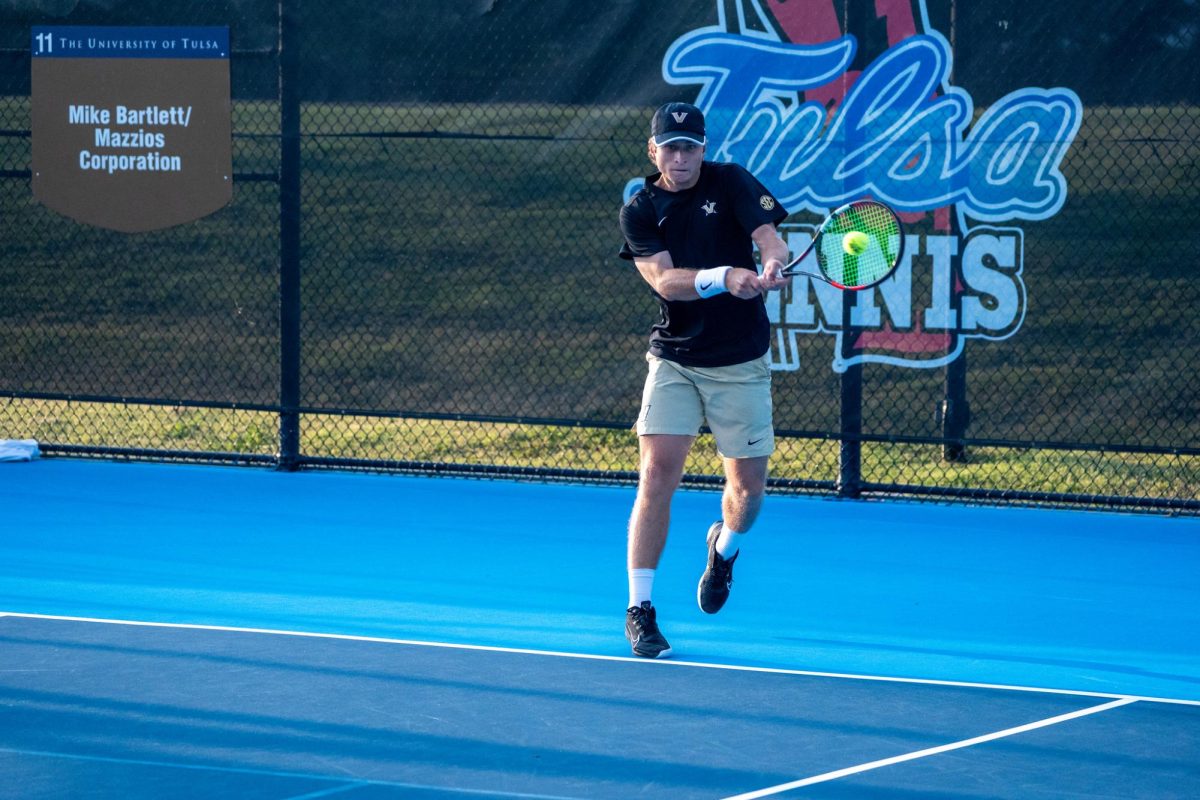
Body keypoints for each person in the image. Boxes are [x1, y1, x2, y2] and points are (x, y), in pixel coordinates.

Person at [617, 102, 791, 658]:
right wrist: (726, 276)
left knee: (747, 494)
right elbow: (667, 282)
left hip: (740, 360)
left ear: (704, 149)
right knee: (656, 475)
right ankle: (640, 609)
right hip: (674, 359)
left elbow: (769, 236)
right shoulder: (641, 209)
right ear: (654, 151)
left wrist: (770, 261)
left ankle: (724, 549)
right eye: (671, 146)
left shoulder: (731, 181)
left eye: (691, 146)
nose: (682, 156)